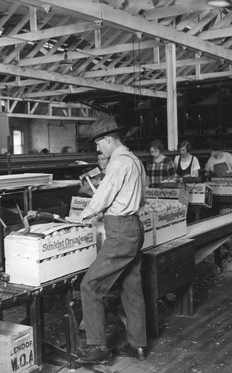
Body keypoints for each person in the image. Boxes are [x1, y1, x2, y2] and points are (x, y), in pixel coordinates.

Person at [77, 115, 147, 364]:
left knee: (90, 285)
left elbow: (102, 197)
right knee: (131, 288)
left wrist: (81, 217)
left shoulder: (118, 163)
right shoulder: (135, 160)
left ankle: (97, 347)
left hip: (120, 231)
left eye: (98, 143)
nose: (97, 149)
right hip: (134, 227)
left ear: (108, 139)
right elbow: (142, 198)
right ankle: (138, 345)